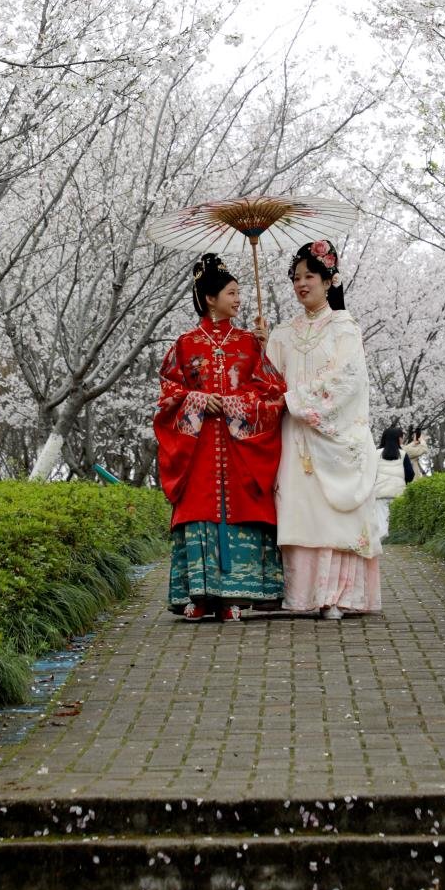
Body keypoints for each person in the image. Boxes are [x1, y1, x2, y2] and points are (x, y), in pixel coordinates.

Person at [154, 254, 285, 621]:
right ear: (210, 298)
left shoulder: (249, 343)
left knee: (241, 511)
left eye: (240, 293)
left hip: (241, 448)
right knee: (199, 513)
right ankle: (199, 597)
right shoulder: (183, 345)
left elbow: (273, 392)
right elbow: (167, 396)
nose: (238, 299)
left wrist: (234, 401)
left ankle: (234, 599)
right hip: (197, 450)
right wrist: (197, 400)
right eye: (231, 292)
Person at [266, 240, 382, 619]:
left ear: (330, 280)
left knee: (334, 515)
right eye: (296, 278)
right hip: (295, 437)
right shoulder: (282, 333)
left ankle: (338, 595)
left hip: (332, 435)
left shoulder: (345, 327)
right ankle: (302, 596)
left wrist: (299, 402)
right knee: (299, 510)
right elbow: (268, 381)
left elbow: (348, 379)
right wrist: (258, 344)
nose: (302, 284)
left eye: (310, 277)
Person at [375, 424, 407, 540]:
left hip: (380, 492)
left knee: (381, 520)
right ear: (397, 439)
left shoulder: (377, 453)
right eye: (401, 437)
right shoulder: (403, 454)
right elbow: (410, 474)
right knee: (395, 519)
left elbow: (371, 473)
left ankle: (381, 541)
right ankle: (394, 539)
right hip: (398, 492)